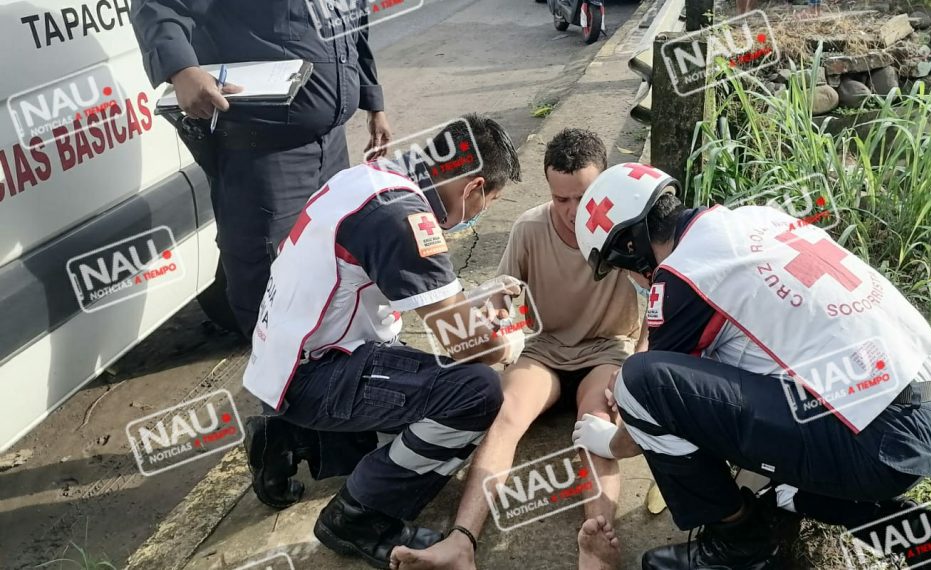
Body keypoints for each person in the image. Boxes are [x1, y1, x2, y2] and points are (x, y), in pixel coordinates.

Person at [570, 163, 931, 569]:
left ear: (630, 247)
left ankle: (735, 544)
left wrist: (610, 442)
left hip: (875, 435)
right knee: (775, 488)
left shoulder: (681, 275)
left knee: (637, 385)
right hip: (929, 397)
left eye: (620, 268)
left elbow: (655, 396)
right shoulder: (754, 219)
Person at [240, 114, 523, 568]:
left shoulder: (377, 178)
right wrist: (510, 341)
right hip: (316, 373)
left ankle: (291, 437)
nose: (482, 213)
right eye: (489, 201)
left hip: (286, 360)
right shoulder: (406, 218)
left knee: (411, 403)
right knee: (474, 393)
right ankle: (359, 515)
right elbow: (469, 347)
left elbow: (426, 296)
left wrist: (473, 303)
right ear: (472, 188)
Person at [391, 129, 647, 570]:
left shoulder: (628, 229)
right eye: (559, 199)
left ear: (604, 186)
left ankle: (598, 544)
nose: (570, 212)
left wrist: (637, 366)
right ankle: (461, 541)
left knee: (596, 421)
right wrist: (494, 320)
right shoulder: (529, 227)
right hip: (544, 348)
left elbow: (660, 307)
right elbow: (507, 305)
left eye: (582, 198)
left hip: (607, 350)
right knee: (505, 411)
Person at [131, 0, 394, 336]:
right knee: (270, 280)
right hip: (265, 150)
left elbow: (352, 25)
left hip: (332, 144)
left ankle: (324, 352)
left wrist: (374, 102)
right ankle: (276, 371)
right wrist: (181, 69)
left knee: (329, 258)